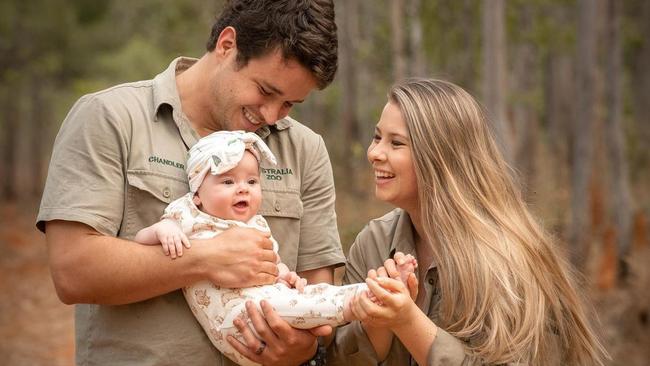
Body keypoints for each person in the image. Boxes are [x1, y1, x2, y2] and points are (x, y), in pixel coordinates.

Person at [37, 1, 347, 365]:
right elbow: (73, 271)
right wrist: (203, 259)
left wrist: (304, 347)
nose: (269, 115)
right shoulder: (110, 118)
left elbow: (319, 292)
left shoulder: (305, 149)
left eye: (289, 104)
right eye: (265, 90)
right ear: (227, 45)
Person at [327, 78, 609, 365]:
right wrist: (377, 323)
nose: (374, 153)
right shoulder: (373, 243)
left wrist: (406, 321)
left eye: (396, 143)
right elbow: (337, 358)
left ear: (439, 156)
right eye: (377, 137)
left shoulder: (505, 258)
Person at [134, 131, 416, 366]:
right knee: (298, 305)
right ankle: (365, 299)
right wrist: (164, 229)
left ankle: (376, 293)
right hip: (235, 323)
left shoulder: (256, 224)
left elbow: (270, 266)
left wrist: (285, 275)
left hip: (265, 314)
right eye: (228, 181)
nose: (242, 188)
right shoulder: (188, 214)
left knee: (307, 293)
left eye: (252, 181)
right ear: (197, 194)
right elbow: (142, 238)